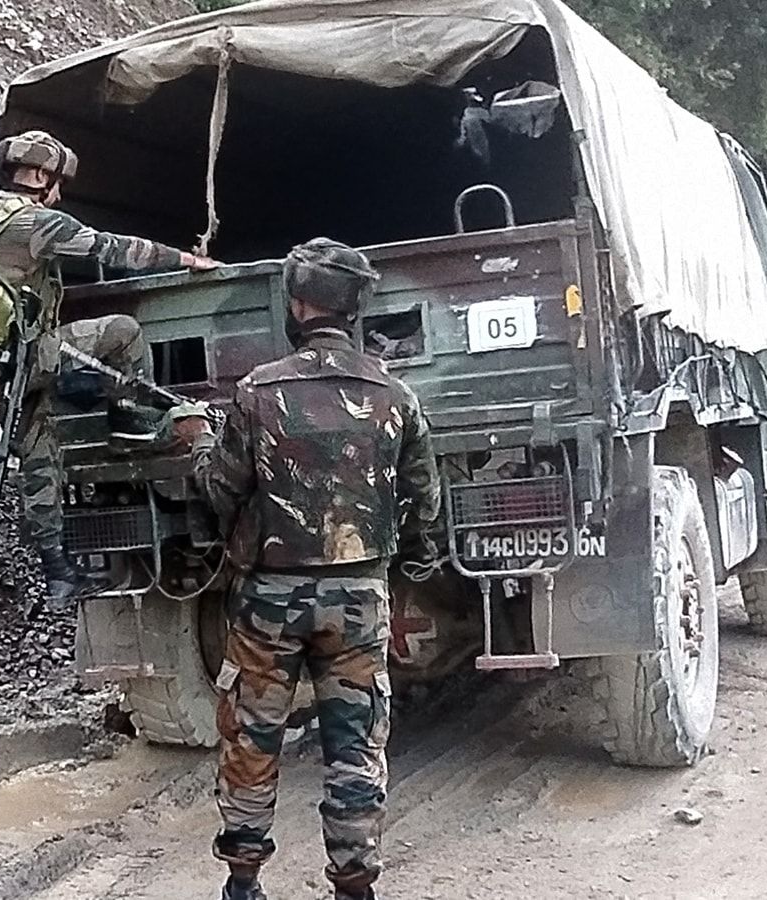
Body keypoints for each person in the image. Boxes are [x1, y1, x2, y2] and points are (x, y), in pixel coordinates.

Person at [171, 238, 440, 900]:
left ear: (297, 304)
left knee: (252, 739)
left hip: (268, 602)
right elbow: (424, 501)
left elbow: (221, 491)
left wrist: (198, 440)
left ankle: (243, 882)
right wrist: (415, 557)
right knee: (355, 748)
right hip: (358, 599)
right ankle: (354, 885)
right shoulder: (396, 395)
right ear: (356, 308)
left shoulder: (258, 391)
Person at [0, 129, 219, 609]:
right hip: (24, 359)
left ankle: (60, 576)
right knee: (123, 332)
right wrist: (187, 259)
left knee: (40, 457)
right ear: (37, 176)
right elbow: (110, 249)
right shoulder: (33, 224)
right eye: (55, 181)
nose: (59, 192)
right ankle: (133, 422)